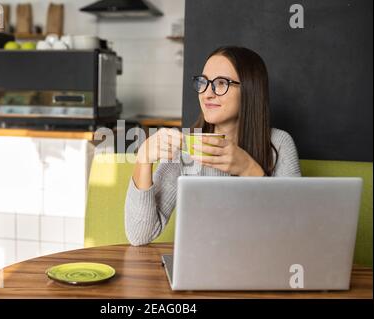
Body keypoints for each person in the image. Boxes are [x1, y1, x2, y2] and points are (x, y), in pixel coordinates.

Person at [125, 46, 301, 246]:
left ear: (250, 90)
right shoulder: (185, 147)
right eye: (204, 82)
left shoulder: (278, 143)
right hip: (198, 266)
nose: (207, 93)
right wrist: (143, 159)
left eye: (221, 83)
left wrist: (248, 169)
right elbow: (139, 235)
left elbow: (293, 231)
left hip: (262, 265)